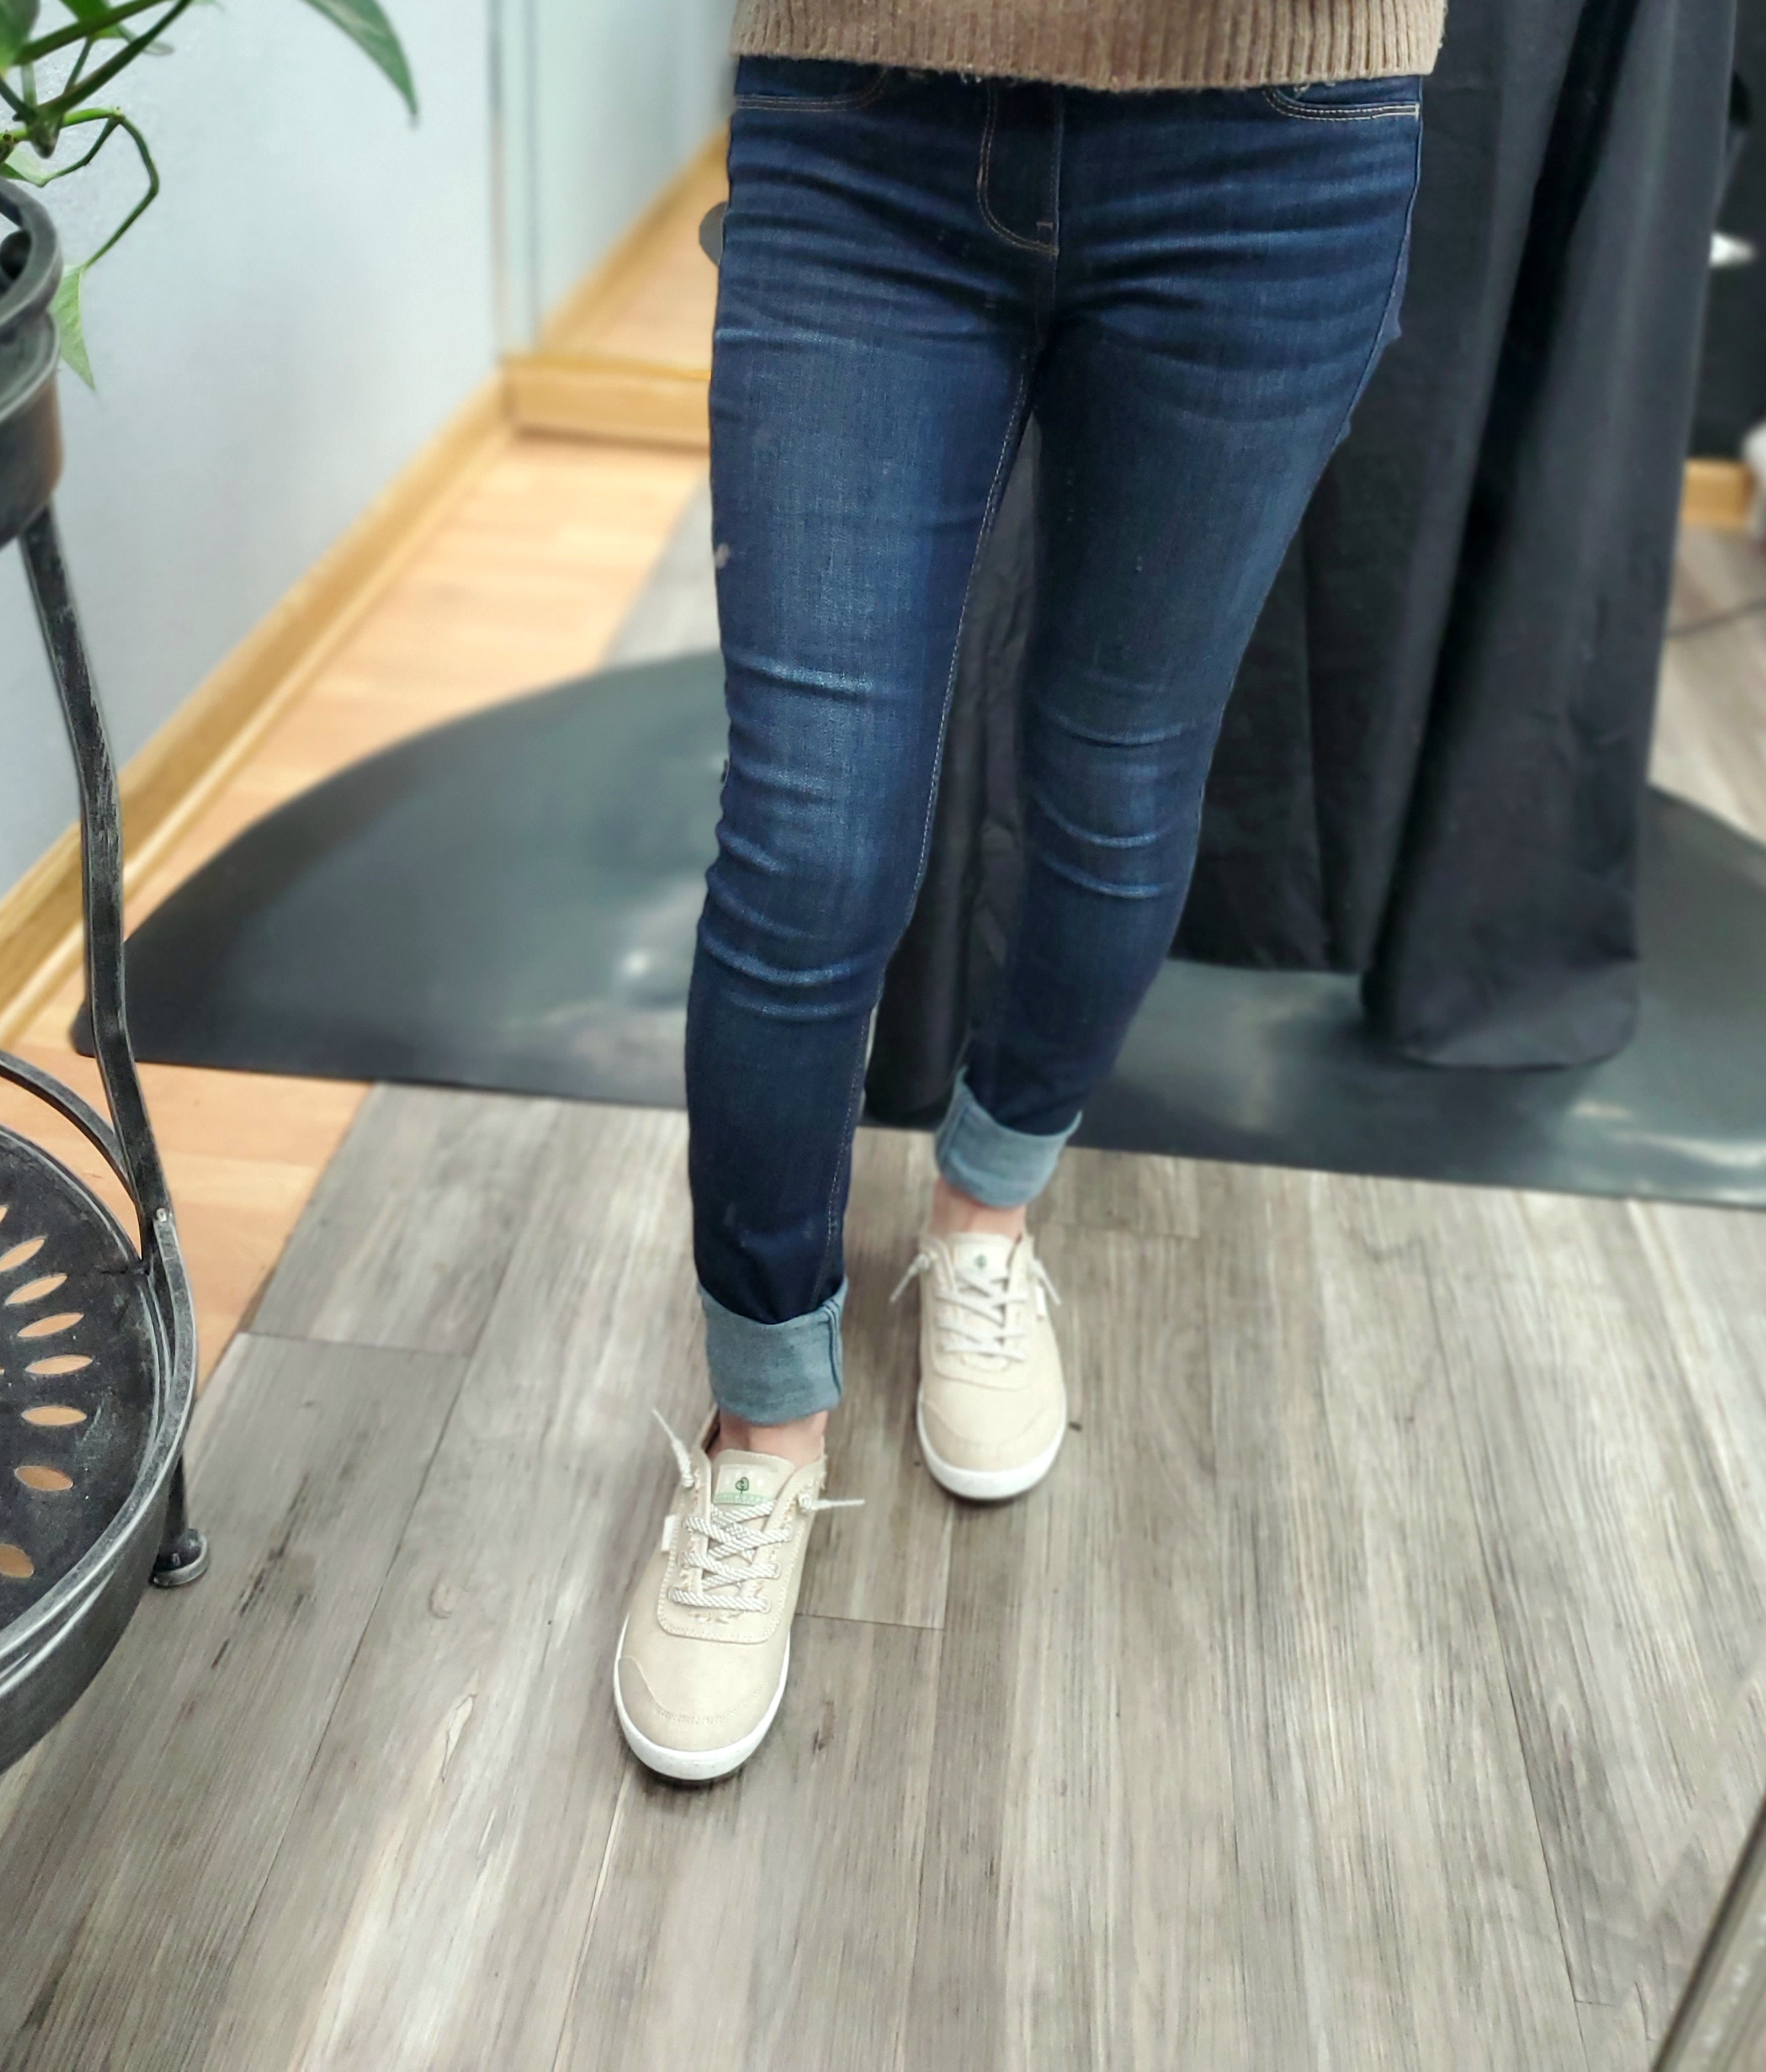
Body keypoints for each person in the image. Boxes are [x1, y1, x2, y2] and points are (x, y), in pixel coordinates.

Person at [612, 1, 1436, 1781]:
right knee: (809, 844)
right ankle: (763, 1424)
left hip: (1278, 128)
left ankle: (983, 1223)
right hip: (872, 92)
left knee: (1119, 784)